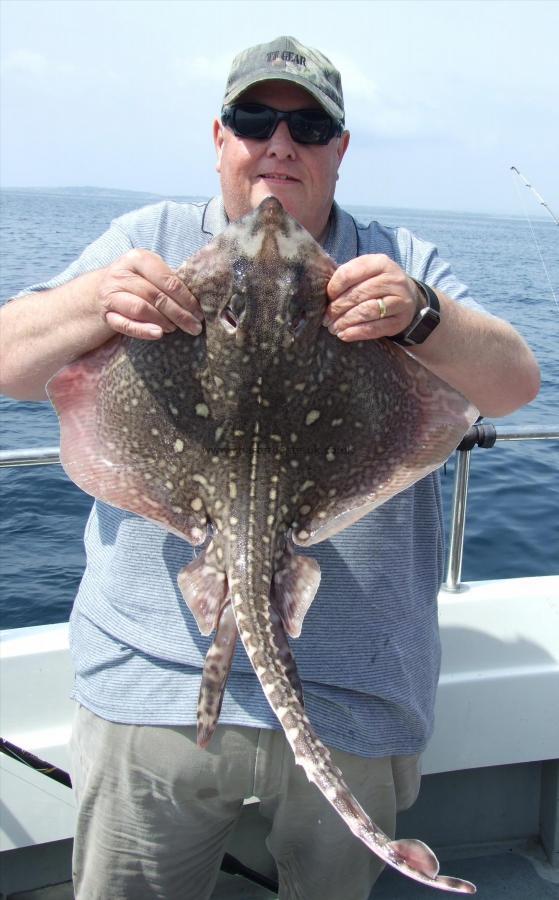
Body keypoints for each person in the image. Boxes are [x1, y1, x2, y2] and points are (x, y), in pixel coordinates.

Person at [0, 35, 540, 900]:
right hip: (148, 689)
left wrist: (420, 313)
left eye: (308, 124)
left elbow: (515, 383)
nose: (279, 142)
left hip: (354, 698)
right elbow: (8, 360)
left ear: (339, 148)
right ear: (220, 137)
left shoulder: (394, 257)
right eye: (256, 119)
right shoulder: (146, 239)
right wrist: (93, 300)